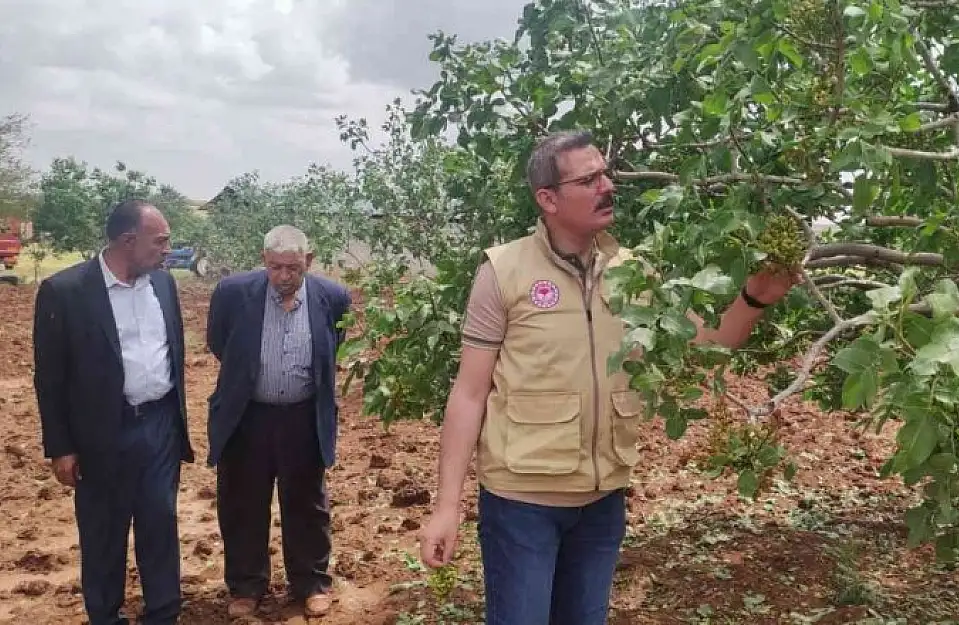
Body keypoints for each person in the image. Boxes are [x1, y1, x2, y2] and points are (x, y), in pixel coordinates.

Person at [418, 130, 801, 624]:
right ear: (548, 199)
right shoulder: (503, 271)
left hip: (602, 506)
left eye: (606, 174)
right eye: (589, 179)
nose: (608, 186)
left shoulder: (631, 272)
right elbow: (469, 395)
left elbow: (709, 346)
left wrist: (755, 299)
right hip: (521, 505)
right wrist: (446, 506)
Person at [32, 199, 193, 625]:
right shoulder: (65, 292)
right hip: (100, 434)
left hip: (159, 425)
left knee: (160, 520)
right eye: (160, 241)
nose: (167, 250)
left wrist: (175, 423)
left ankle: (163, 613)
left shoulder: (163, 285)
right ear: (128, 240)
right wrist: (61, 446)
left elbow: (173, 352)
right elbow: (50, 378)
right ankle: (105, 615)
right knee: (103, 532)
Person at [205, 224, 351, 619]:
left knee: (306, 503)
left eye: (292, 268)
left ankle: (311, 583)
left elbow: (331, 349)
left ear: (309, 261)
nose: (283, 277)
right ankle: (246, 587)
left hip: (303, 417)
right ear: (263, 261)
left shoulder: (333, 297)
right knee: (242, 503)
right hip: (247, 416)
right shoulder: (233, 294)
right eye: (275, 268)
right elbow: (221, 344)